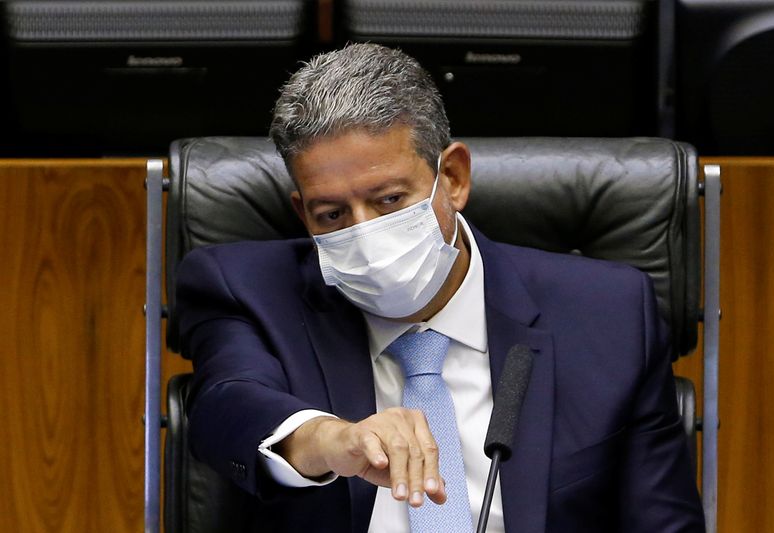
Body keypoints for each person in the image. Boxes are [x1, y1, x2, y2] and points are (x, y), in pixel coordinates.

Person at [176, 43, 705, 532]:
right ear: (302, 212)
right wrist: (328, 438)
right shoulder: (245, 287)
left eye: (388, 201)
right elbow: (227, 403)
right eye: (332, 213)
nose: (363, 233)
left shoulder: (607, 313)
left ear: (452, 177)